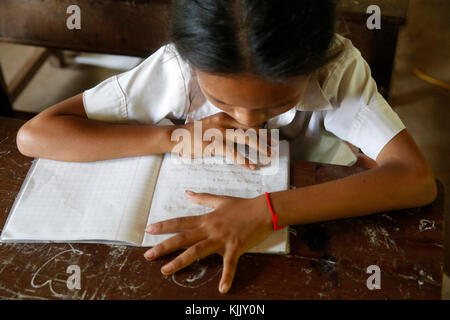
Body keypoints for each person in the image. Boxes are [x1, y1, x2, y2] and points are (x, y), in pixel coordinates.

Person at [16, 0, 437, 294]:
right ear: (192, 62)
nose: (249, 120)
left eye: (277, 104)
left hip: (313, 225)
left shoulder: (338, 68)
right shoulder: (177, 67)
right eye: (223, 101)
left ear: (314, 63)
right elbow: (35, 135)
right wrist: (173, 137)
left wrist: (265, 211)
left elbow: (416, 179)